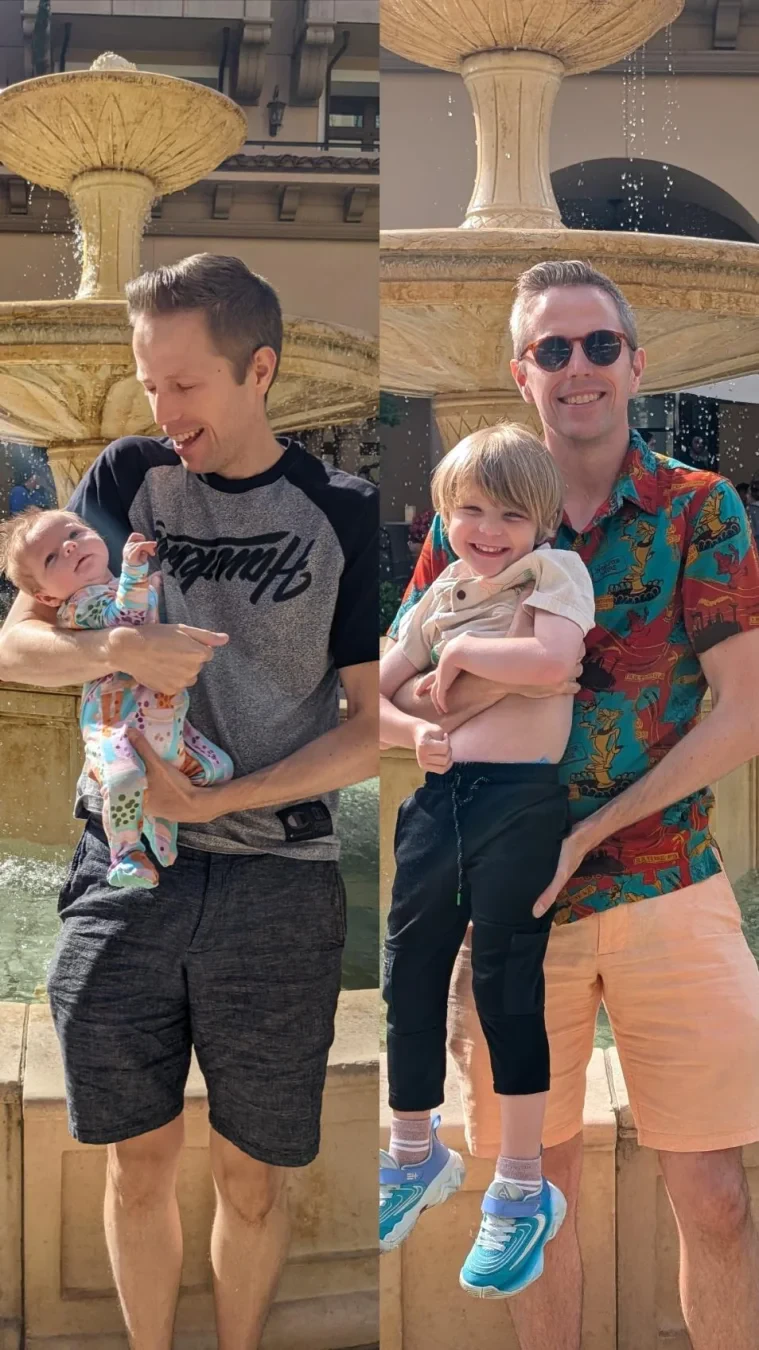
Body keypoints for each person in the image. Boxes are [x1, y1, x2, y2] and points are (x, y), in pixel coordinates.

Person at [0, 252, 378, 1350]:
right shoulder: (122, 477)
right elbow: (19, 645)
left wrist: (228, 802)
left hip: (278, 880)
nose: (161, 412)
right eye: (147, 382)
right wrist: (124, 643)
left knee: (253, 1182)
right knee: (135, 1167)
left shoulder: (340, 510)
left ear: (258, 370)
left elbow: (370, 727)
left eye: (185, 385)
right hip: (126, 875)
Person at [386, 259, 759, 1350]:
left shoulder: (700, 509)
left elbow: (742, 712)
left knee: (719, 1203)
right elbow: (393, 683)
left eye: (599, 345)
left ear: (636, 363)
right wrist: (443, 714)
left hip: (664, 880)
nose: (579, 367)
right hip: (510, 906)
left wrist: (585, 828)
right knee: (532, 1202)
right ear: (522, 372)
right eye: (554, 349)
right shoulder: (478, 520)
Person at [379, 424, 596, 1297]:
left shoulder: (554, 575)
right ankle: (411, 1148)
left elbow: (554, 658)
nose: (489, 528)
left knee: (505, 983)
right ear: (445, 512)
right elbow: (384, 693)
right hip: (440, 801)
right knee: (409, 970)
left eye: (511, 512)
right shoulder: (437, 594)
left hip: (516, 801)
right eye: (471, 508)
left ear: (541, 521)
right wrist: (420, 730)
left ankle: (517, 1186)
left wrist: (464, 658)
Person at [0, 510, 233, 888]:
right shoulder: (78, 606)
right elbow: (128, 619)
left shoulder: (117, 585)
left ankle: (162, 823)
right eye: (52, 557)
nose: (69, 545)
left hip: (166, 722)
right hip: (116, 728)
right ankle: (124, 854)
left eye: (74, 533)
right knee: (125, 778)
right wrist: (136, 571)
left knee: (217, 769)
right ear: (45, 595)